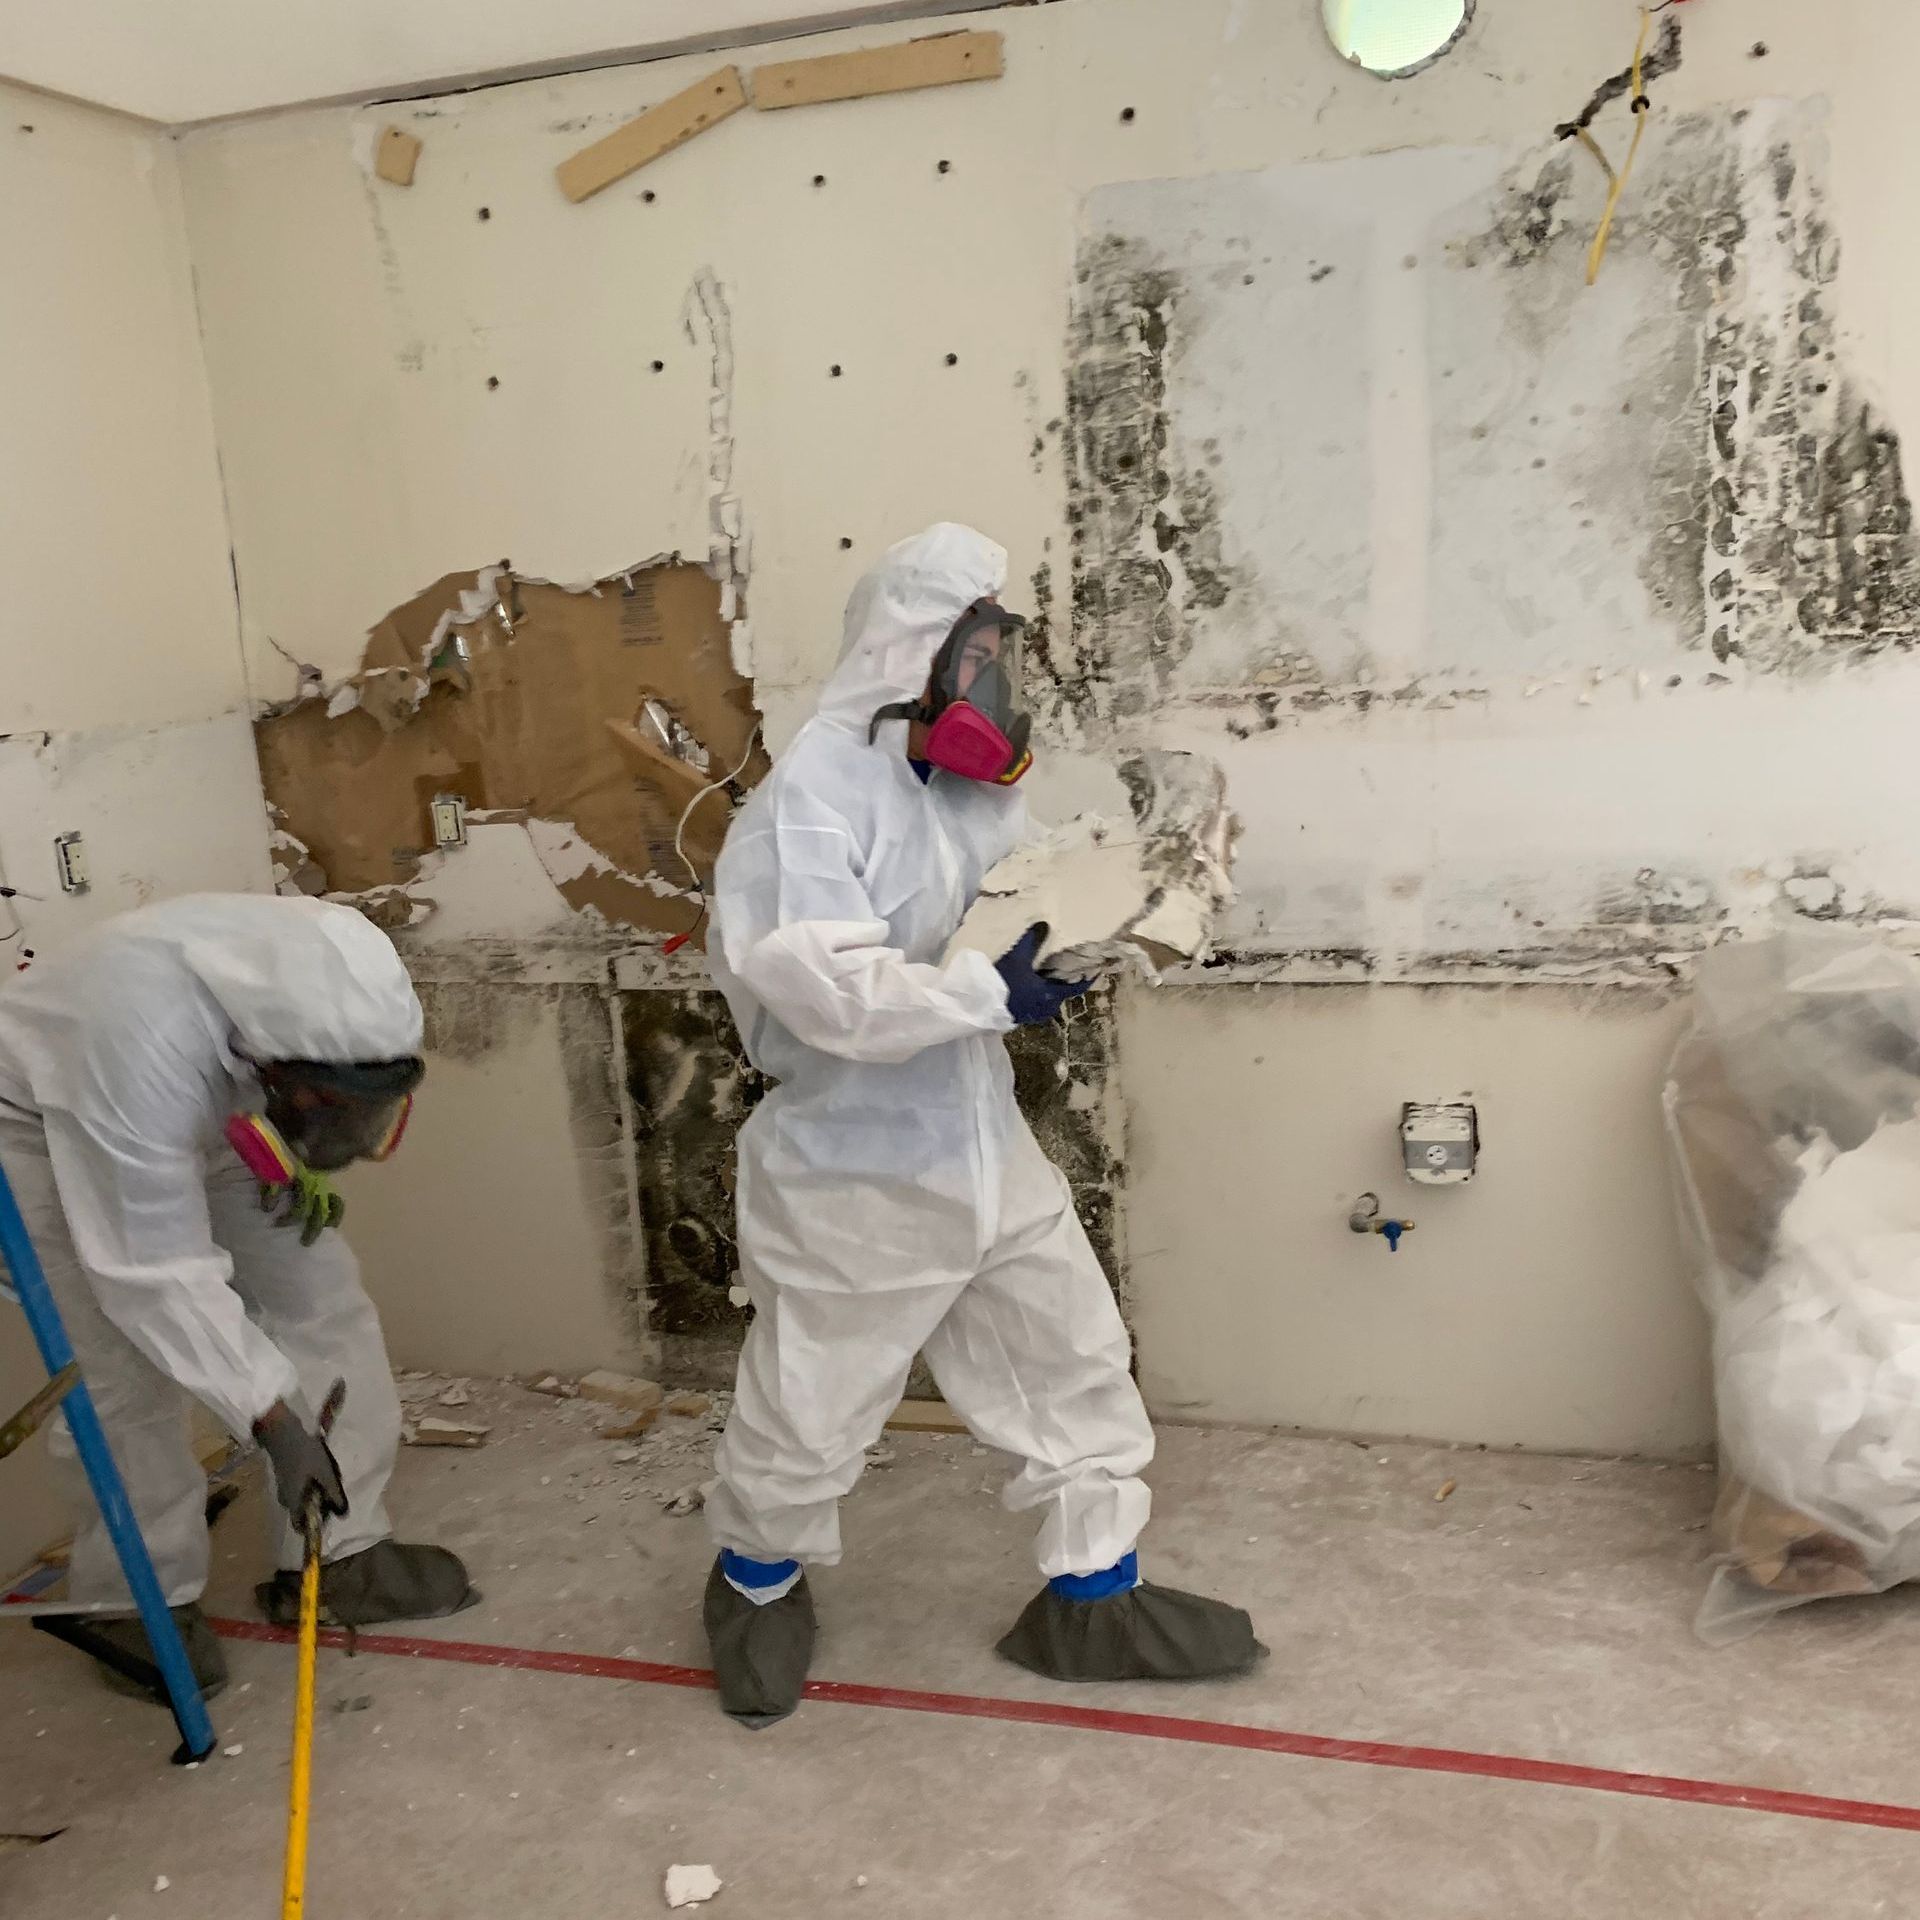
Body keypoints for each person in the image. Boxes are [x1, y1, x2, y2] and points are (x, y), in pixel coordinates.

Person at [701, 523, 1260, 1726]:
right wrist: (985, 993)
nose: (1000, 681)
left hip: (979, 1145)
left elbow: (1017, 898)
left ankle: (1093, 1596)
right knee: (812, 1405)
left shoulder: (959, 796)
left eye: (1004, 652)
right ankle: (754, 1580)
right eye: (984, 653)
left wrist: (1125, 896)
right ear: (914, 657)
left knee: (1070, 1358)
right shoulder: (808, 805)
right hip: (854, 1170)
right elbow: (827, 991)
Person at [0, 894, 474, 1703]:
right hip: (46, 1123)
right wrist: (271, 1417)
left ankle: (337, 1556)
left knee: (318, 1293)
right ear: (276, 1070)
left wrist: (300, 1155)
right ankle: (131, 1599)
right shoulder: (135, 1037)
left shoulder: (326, 993)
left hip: (216, 1104)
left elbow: (296, 1096)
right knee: (121, 1368)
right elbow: (153, 1275)